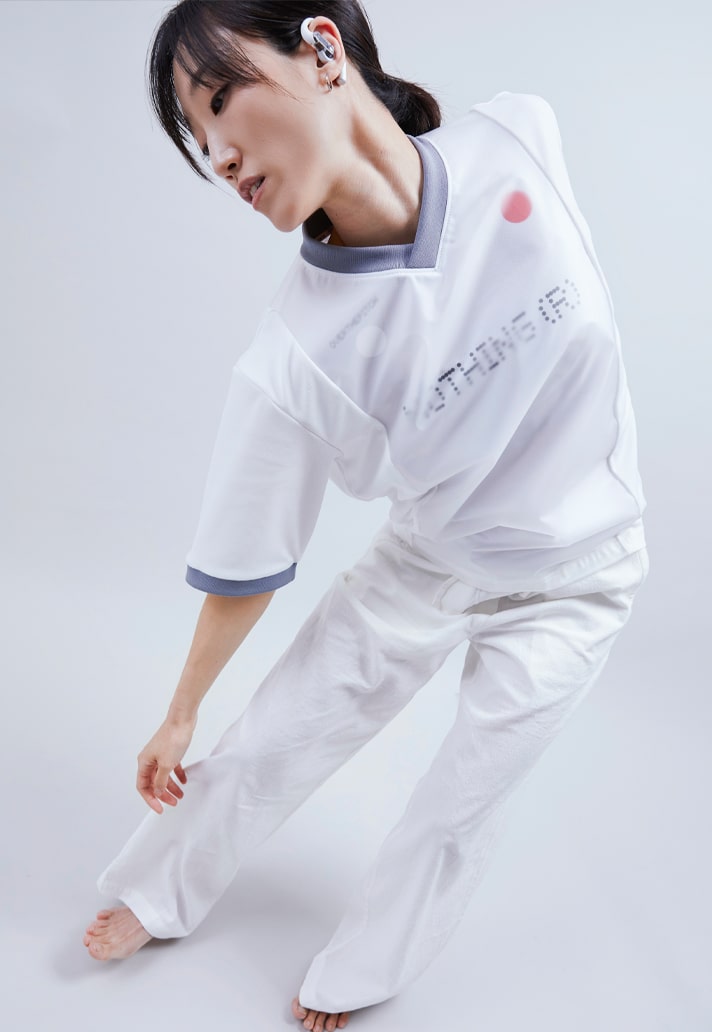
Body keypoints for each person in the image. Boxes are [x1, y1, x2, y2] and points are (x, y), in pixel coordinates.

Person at [83, 3, 649, 1031]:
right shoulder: (295, 356)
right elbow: (248, 557)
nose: (217, 155)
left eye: (220, 101)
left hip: (583, 572)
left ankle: (363, 971)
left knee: (460, 802)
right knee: (275, 737)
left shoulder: (520, 135)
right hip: (430, 561)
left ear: (322, 47)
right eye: (197, 138)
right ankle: (157, 890)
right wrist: (180, 713)